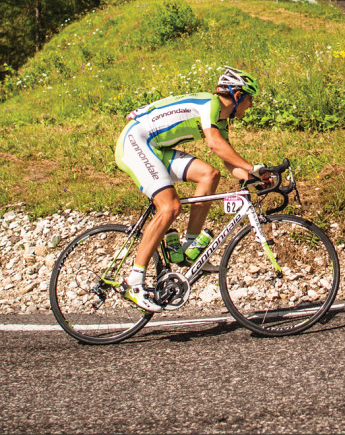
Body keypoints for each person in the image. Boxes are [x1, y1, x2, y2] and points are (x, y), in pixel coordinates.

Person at [113, 66, 266, 311]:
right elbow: (215, 145)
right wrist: (252, 167)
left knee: (209, 174)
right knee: (170, 207)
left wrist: (258, 177)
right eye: (250, 98)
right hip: (136, 143)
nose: (251, 105)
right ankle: (134, 281)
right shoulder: (210, 104)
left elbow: (228, 163)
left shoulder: (220, 119)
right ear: (237, 96)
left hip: (155, 148)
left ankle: (190, 247)